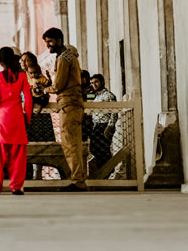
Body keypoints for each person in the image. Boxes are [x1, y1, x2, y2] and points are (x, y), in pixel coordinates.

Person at [0, 47, 33, 195]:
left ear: (0, 61)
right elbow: (28, 100)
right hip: (16, 118)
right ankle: (16, 186)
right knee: (18, 154)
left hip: (0, 119)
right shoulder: (22, 76)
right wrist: (28, 118)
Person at [43, 27, 87, 190]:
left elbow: (59, 84)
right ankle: (79, 179)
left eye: (50, 42)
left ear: (59, 40)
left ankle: (78, 181)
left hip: (68, 103)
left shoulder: (63, 58)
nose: (49, 46)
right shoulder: (71, 56)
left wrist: (45, 89)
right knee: (74, 143)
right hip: (74, 103)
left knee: (70, 145)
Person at [20, 51, 55, 141]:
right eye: (22, 60)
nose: (24, 62)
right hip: (24, 109)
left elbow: (46, 87)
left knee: (42, 134)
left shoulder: (38, 75)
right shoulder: (20, 75)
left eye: (27, 60)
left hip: (38, 107)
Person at [88, 73, 118, 168]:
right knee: (94, 149)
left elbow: (114, 112)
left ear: (102, 82)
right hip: (96, 126)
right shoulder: (96, 97)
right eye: (92, 83)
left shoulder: (109, 96)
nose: (94, 85)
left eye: (96, 82)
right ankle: (102, 170)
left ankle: (108, 169)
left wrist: (110, 126)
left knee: (104, 150)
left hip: (104, 125)